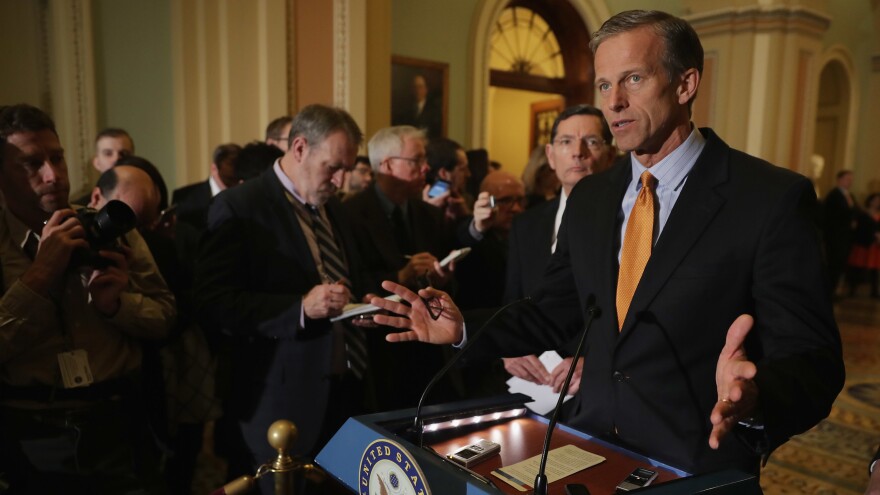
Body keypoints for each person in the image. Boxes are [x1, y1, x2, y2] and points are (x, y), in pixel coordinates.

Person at [369, 10, 844, 475]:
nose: (613, 101)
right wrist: (464, 329)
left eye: (633, 79)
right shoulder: (592, 197)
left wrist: (755, 398)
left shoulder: (768, 198)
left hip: (695, 464)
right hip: (588, 450)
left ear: (685, 84)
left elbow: (813, 361)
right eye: (603, 84)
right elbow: (554, 309)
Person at [0, 104, 175, 492]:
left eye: (57, 158)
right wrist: (40, 275)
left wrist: (117, 306)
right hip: (33, 434)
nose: (53, 175)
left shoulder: (108, 223)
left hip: (120, 422)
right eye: (31, 164)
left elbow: (164, 316)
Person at [194, 104, 366, 494]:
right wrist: (299, 310)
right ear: (300, 148)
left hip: (344, 390)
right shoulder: (240, 207)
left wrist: (361, 305)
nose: (340, 180)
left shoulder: (331, 207)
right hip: (278, 400)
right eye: (333, 167)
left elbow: (342, 278)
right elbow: (214, 303)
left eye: (347, 169)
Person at [503, 104, 617, 404]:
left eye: (591, 142)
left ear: (610, 155)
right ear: (551, 156)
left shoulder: (629, 223)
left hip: (599, 387)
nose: (578, 152)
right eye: (566, 142)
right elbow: (513, 302)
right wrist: (510, 350)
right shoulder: (526, 224)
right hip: (531, 386)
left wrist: (592, 363)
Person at [342, 125, 457, 410]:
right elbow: (350, 281)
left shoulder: (429, 214)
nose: (426, 167)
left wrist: (440, 278)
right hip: (377, 349)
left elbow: (447, 284)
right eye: (417, 160)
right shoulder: (349, 214)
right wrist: (400, 276)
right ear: (388, 164)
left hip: (428, 350)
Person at [172, 143, 241, 230]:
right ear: (214, 169)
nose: (236, 184)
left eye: (238, 178)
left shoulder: (247, 195)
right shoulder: (184, 198)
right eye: (229, 179)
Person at [824, 170, 857, 297]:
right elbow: (831, 217)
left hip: (846, 238)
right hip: (835, 238)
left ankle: (836, 289)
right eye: (847, 179)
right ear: (839, 180)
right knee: (834, 264)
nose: (850, 182)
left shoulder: (850, 196)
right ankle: (829, 292)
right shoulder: (834, 195)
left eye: (851, 180)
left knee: (841, 265)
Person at [847, 193, 880, 297]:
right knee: (858, 267)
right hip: (863, 243)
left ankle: (874, 292)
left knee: (874, 270)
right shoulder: (863, 213)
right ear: (870, 201)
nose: (877, 202)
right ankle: (852, 290)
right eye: (875, 200)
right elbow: (860, 228)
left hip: (875, 245)